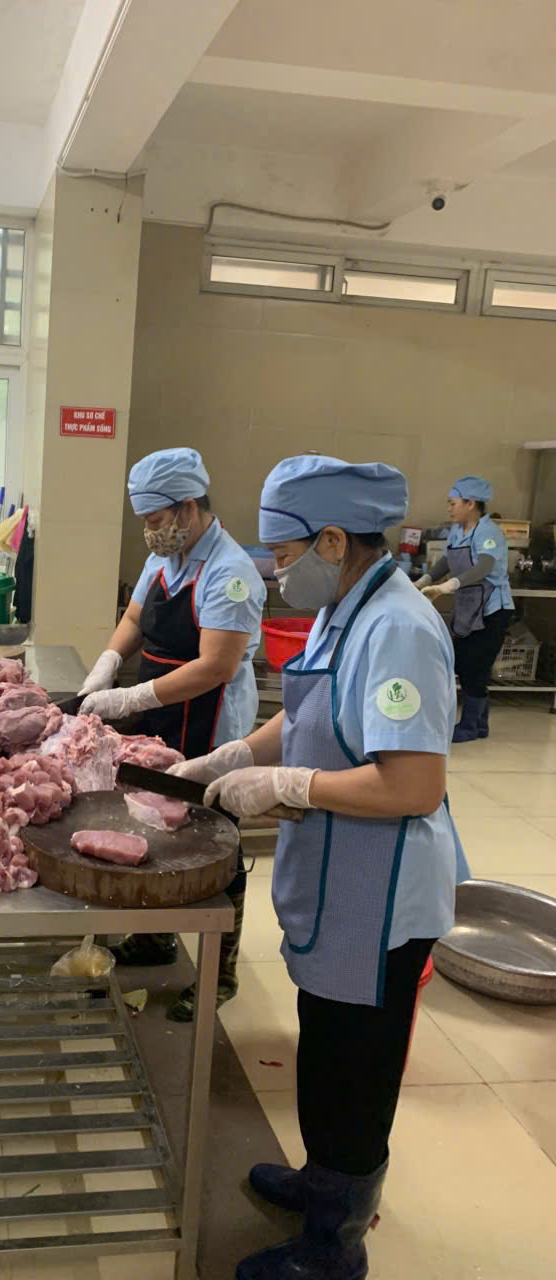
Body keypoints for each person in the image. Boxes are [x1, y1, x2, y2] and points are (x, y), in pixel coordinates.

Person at [171, 455, 469, 1280]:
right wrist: (239, 753)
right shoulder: (346, 606)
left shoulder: (400, 629)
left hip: (381, 894)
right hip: (340, 875)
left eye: (283, 553)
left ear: (334, 541)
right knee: (326, 1050)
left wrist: (289, 786)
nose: (275, 571)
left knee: (355, 1075)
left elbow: (412, 785)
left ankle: (336, 1245)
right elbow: (308, 709)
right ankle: (322, 1180)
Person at [79, 447, 265, 1019]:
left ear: (188, 507)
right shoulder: (168, 556)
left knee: (214, 846)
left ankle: (220, 973)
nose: (149, 531)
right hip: (164, 716)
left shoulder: (230, 571)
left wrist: (131, 697)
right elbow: (136, 617)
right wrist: (108, 662)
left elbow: (216, 667)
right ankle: (157, 938)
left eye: (156, 519)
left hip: (209, 722)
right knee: (154, 829)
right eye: (144, 521)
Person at [415, 475, 514, 742]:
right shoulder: (457, 531)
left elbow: (484, 566)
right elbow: (448, 560)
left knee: (474, 666)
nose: (449, 508)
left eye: (453, 503)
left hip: (492, 610)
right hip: (469, 607)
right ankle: (479, 725)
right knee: (463, 662)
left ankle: (470, 726)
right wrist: (424, 580)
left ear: (471, 503)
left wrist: (450, 586)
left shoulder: (488, 532)